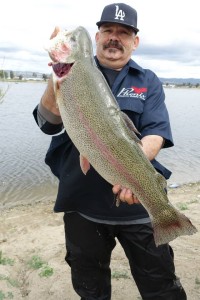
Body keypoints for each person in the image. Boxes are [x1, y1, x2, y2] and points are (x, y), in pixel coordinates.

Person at [33, 3, 187, 300]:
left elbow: (156, 133)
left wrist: (132, 171)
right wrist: (58, 73)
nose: (114, 37)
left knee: (161, 286)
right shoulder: (72, 72)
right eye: (108, 31)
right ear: (98, 36)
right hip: (81, 204)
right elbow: (48, 124)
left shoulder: (148, 81)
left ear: (135, 41)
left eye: (123, 32)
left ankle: (165, 219)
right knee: (91, 288)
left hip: (137, 206)